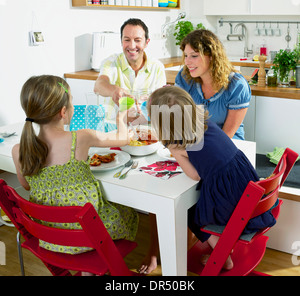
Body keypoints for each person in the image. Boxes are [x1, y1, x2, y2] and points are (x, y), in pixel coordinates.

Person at [139, 86, 276, 274]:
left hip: (231, 199)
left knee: (190, 212)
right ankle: (223, 246)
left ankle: (222, 255)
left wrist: (176, 152)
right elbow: (206, 154)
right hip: (243, 184)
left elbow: (195, 175)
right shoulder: (204, 124)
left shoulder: (183, 142)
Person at [12, 75, 138, 265]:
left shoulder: (19, 150)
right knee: (127, 211)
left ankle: (85, 268)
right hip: (91, 235)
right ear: (63, 112)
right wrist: (121, 116)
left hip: (51, 239)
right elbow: (123, 138)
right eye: (71, 102)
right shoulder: (82, 137)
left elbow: (26, 185)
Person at [175, 29, 251, 140]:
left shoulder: (237, 86)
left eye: (194, 56)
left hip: (229, 146)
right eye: (186, 55)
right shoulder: (185, 77)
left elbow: (226, 137)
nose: (187, 62)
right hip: (195, 142)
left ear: (211, 56)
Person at [93, 18, 166, 121]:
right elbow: (99, 85)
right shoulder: (111, 62)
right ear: (121, 41)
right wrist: (114, 90)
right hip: (114, 129)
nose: (132, 46)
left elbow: (161, 104)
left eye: (137, 40)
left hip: (145, 129)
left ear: (146, 42)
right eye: (127, 40)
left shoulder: (157, 67)